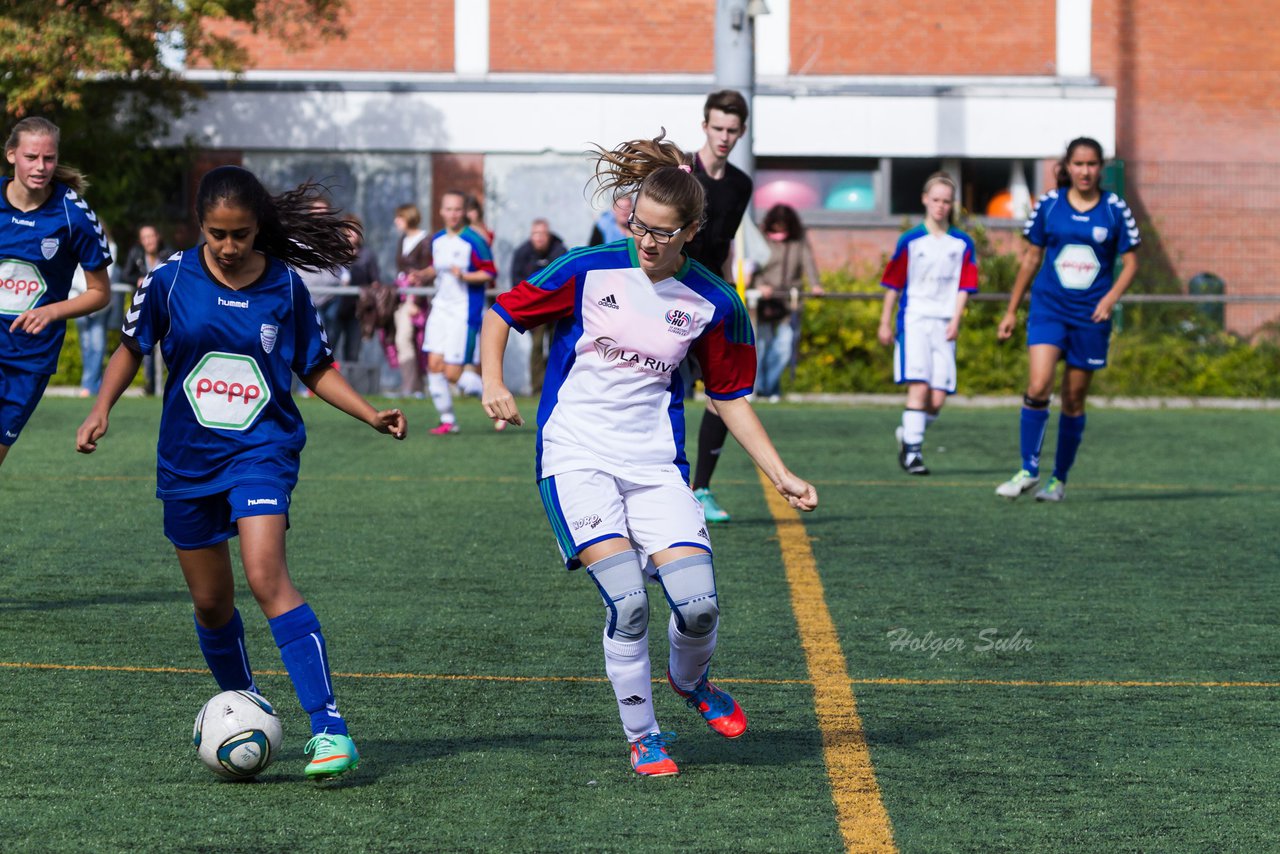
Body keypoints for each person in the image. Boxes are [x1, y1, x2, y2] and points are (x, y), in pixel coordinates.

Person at [480, 131, 818, 778]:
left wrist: (780, 473)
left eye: (665, 231)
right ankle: (644, 736)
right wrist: (493, 382)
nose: (648, 241)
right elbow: (503, 313)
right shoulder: (589, 268)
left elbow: (729, 397)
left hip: (654, 465)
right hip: (575, 454)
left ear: (693, 230)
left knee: (699, 606)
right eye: (641, 226)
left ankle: (692, 683)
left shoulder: (715, 303)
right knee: (629, 603)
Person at [75, 165, 407, 779]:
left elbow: (314, 366)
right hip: (187, 459)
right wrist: (100, 409)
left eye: (242, 235)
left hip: (262, 451)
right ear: (200, 226)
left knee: (265, 575)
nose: (229, 247)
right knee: (209, 602)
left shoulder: (284, 287)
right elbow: (129, 347)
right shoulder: (168, 281)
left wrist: (368, 414)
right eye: (218, 234)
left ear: (260, 230)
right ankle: (247, 703)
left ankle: (331, 727)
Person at [995, 137, 1140, 501]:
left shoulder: (1114, 208)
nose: (1085, 171)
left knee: (1073, 400)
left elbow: (1132, 263)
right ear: (1068, 166)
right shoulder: (1049, 204)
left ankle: (1058, 480)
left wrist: (1110, 299)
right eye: (1078, 164)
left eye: (1092, 164)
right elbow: (1030, 258)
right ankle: (1028, 470)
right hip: (1049, 309)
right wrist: (1012, 309)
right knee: (1039, 384)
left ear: (1100, 168)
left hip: (1090, 316)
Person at [0, 117, 113, 469]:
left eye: (49, 158)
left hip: (27, 360)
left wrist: (52, 311)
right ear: (11, 155)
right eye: (32, 157)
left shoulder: (74, 214)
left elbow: (100, 292)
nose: (41, 167)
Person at [876, 174, 978, 475]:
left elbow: (964, 285)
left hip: (944, 323)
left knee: (937, 398)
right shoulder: (910, 240)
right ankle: (913, 454)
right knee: (918, 387)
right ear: (925, 200)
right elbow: (893, 284)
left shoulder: (962, 243)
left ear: (953, 204)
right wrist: (885, 322)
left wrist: (956, 320)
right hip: (915, 321)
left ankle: (909, 431)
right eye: (936, 199)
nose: (941, 206)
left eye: (946, 201)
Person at [684, 90, 755, 524]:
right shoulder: (681, 171)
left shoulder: (741, 185)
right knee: (659, 390)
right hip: (670, 292)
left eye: (732, 130)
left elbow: (726, 244)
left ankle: (701, 490)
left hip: (712, 297)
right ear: (705, 126)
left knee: (724, 396)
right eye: (718, 128)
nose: (724, 136)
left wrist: (731, 295)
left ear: (741, 132)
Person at [418, 190, 496, 434]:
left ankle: (496, 399)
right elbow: (436, 268)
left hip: (464, 311)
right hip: (440, 308)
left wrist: (465, 275)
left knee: (452, 373)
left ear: (464, 212)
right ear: (441, 211)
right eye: (448, 209)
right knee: (433, 365)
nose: (452, 214)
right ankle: (447, 420)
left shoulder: (475, 240)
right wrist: (422, 274)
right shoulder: (437, 239)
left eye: (457, 209)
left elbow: (490, 273)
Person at [751, 204, 824, 403]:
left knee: (785, 346)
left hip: (790, 301)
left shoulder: (798, 241)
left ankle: (767, 387)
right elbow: (753, 266)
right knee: (761, 346)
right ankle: (759, 388)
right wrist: (759, 285)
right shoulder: (761, 239)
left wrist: (816, 284)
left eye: (783, 227)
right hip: (764, 301)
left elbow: (808, 262)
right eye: (776, 227)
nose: (780, 231)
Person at [508, 218, 567, 394]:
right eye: (535, 234)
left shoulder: (560, 250)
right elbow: (516, 281)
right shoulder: (522, 252)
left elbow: (566, 279)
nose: (539, 238)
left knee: (557, 345)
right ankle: (537, 388)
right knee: (536, 345)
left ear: (548, 235)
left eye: (542, 234)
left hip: (557, 306)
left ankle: (555, 384)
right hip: (534, 307)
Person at [118, 224, 176, 395]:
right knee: (141, 346)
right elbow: (125, 274)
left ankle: (169, 384)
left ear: (157, 237)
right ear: (141, 241)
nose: (149, 241)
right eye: (145, 237)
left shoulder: (170, 253)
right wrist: (139, 279)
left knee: (171, 346)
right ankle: (149, 385)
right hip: (144, 309)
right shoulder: (135, 254)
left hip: (167, 307)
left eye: (151, 236)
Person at [72, 221, 120, 397]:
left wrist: (92, 290)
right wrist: (86, 289)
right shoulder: (76, 242)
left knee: (97, 344)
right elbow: (73, 273)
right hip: (79, 299)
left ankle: (89, 385)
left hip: (99, 304)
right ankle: (92, 383)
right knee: (86, 345)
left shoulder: (111, 247)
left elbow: (108, 273)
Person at [392, 203, 431, 398]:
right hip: (403, 296)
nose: (396, 221)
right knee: (404, 340)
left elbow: (427, 273)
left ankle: (415, 387)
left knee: (412, 340)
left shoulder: (425, 241)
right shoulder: (402, 240)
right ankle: (411, 385)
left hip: (418, 298)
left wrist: (416, 300)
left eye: (399, 217)